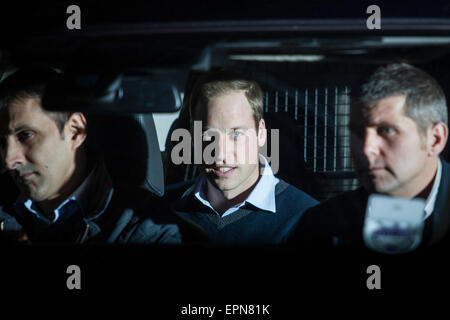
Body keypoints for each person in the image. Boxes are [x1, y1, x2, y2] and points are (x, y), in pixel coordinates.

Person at [0, 66, 188, 244]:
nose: (9, 160)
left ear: (75, 131)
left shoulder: (151, 229)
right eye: (1, 142)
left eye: (26, 135)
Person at [289, 63, 450, 249]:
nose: (367, 148)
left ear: (435, 139)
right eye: (357, 132)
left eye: (386, 130)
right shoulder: (323, 224)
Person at [167, 71, 318, 245]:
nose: (221, 154)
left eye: (236, 133)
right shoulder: (161, 210)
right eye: (208, 135)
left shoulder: (306, 218)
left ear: (260, 133)